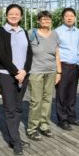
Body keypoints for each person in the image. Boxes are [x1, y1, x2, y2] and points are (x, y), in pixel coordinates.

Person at [0, 3, 33, 156]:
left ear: (21, 16)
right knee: (10, 108)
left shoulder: (23, 31)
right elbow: (2, 55)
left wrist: (24, 70)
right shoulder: (1, 31)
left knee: (18, 107)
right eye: (11, 13)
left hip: (23, 74)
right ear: (6, 15)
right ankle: (16, 142)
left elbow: (30, 53)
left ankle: (14, 137)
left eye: (17, 13)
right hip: (7, 75)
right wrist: (16, 71)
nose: (14, 15)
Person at [27, 10, 61, 140]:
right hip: (36, 71)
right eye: (43, 19)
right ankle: (32, 128)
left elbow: (57, 54)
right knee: (36, 100)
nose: (46, 21)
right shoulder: (31, 33)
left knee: (47, 99)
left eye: (48, 19)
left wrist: (59, 71)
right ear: (38, 21)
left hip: (51, 71)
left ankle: (44, 125)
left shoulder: (54, 34)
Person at [55, 8, 79, 130]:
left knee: (72, 94)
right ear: (63, 18)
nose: (69, 18)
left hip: (75, 66)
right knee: (61, 94)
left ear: (75, 18)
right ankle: (62, 119)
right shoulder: (57, 32)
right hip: (63, 66)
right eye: (67, 16)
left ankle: (71, 116)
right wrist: (58, 70)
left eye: (72, 16)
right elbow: (54, 51)